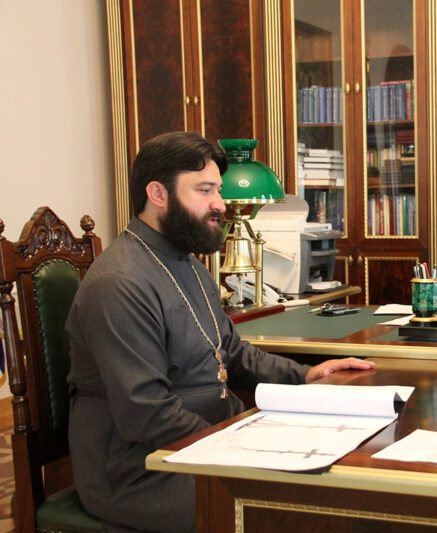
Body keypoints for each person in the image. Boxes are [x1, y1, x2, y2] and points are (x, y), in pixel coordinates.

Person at [66, 131, 375, 532]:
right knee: (306, 506)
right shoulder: (120, 283)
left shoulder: (189, 265)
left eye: (218, 190)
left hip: (206, 445)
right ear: (157, 194)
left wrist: (305, 375)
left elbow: (232, 352)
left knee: (344, 473)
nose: (221, 203)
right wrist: (241, 443)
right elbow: (146, 413)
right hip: (142, 472)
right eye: (205, 190)